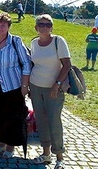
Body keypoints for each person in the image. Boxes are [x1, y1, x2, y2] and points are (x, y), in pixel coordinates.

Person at [0, 12, 32, 158]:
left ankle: (10, 146)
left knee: (12, 117)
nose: (0, 27)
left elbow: (26, 63)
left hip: (13, 86)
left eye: (3, 25)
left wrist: (24, 86)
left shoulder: (16, 42)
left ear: (8, 26)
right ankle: (1, 142)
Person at [30, 14, 71, 169]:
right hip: (35, 86)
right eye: (41, 24)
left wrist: (57, 84)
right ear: (36, 27)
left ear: (52, 27)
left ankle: (59, 157)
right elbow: (33, 64)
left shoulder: (58, 41)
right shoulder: (34, 42)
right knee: (41, 121)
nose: (44, 27)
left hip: (54, 88)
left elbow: (66, 65)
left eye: (48, 24)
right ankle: (46, 154)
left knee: (54, 122)